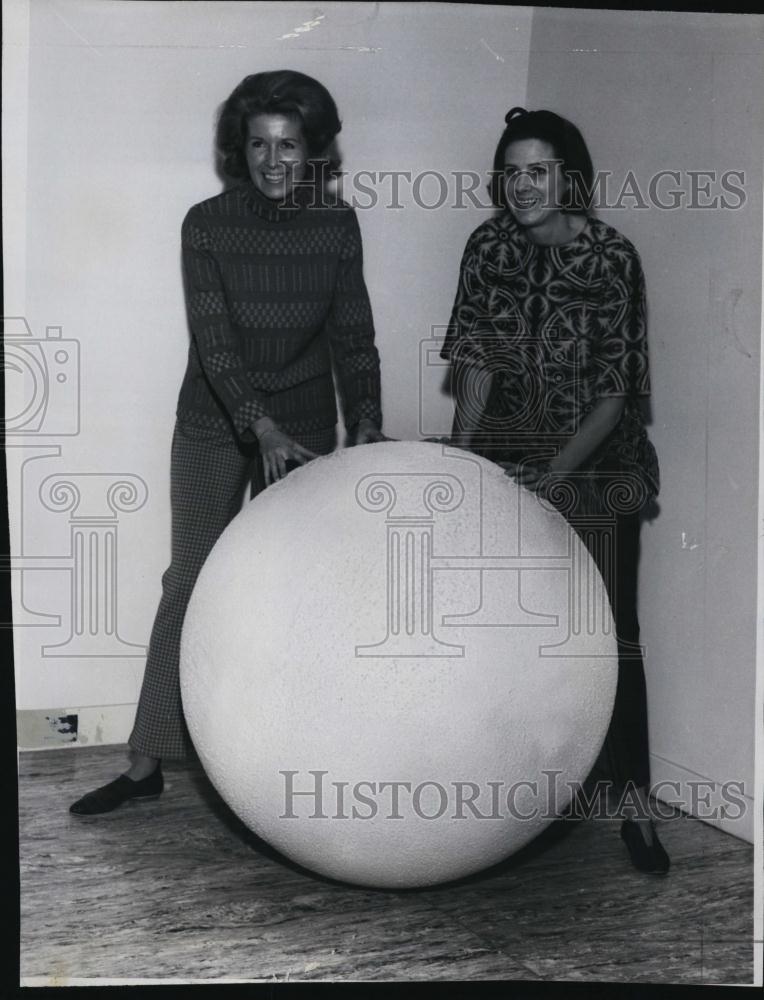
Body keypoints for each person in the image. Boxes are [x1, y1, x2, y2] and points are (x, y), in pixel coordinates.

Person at [70, 69, 384, 815]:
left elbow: (354, 332)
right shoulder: (205, 224)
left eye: (288, 146)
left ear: (314, 153)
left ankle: (278, 763)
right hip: (217, 422)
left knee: (283, 596)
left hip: (304, 429)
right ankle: (146, 762)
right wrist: (257, 424)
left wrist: (366, 418)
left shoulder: (338, 228)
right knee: (191, 582)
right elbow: (214, 344)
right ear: (236, 150)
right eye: (257, 145)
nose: (273, 162)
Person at [441, 107, 669, 874]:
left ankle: (636, 807)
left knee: (613, 634)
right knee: (511, 635)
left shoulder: (612, 257)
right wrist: (466, 460)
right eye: (510, 171)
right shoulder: (487, 246)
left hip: (597, 465)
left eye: (536, 170)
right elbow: (474, 361)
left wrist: (556, 479)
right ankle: (517, 800)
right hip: (512, 454)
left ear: (569, 176)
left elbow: (616, 394)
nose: (521, 185)